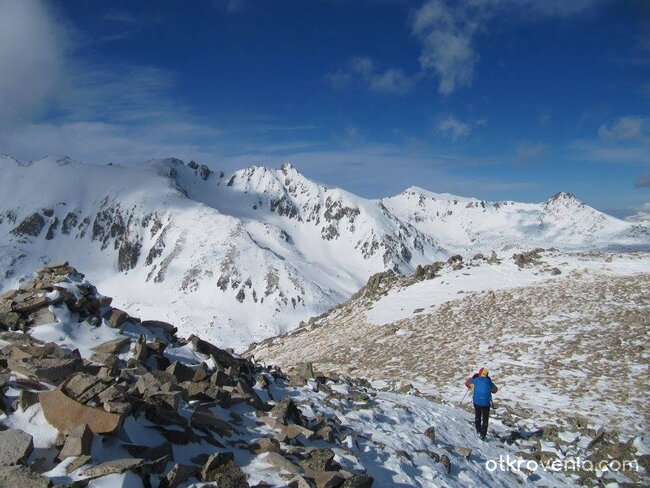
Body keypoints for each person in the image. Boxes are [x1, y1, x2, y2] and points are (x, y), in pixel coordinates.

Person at [465, 367, 498, 440]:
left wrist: (472, 378)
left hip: (477, 402)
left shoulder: (476, 380)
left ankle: (478, 430)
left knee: (478, 416)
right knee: (485, 418)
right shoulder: (488, 381)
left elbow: (467, 384)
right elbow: (495, 390)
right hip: (486, 403)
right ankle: (483, 434)